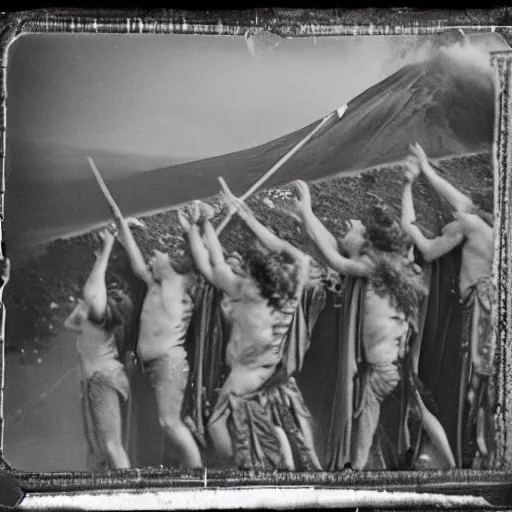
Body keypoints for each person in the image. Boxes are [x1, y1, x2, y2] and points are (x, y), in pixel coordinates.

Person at [292, 179, 456, 471]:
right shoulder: (395, 270)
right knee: (403, 419)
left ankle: (358, 471)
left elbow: (334, 256)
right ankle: (449, 466)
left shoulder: (373, 270)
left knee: (382, 425)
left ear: (369, 244)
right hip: (388, 371)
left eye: (352, 231)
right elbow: (339, 249)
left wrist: (307, 212)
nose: (347, 232)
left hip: (384, 373)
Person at [186, 181, 323, 471]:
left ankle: (236, 474)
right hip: (273, 373)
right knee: (282, 429)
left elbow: (213, 266)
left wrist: (203, 226)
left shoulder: (243, 294)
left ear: (254, 281)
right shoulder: (288, 295)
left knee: (215, 425)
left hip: (244, 379)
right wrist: (248, 218)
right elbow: (296, 255)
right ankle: (296, 469)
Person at [401, 143, 495, 467]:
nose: (453, 214)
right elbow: (460, 201)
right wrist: (427, 169)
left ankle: (460, 456)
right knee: (477, 386)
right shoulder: (490, 230)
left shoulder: (467, 226)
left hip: (473, 313)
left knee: (461, 383)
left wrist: (410, 223)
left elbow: (428, 251)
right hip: (486, 312)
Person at [112, 209, 203, 469]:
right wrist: (122, 226)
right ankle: (189, 463)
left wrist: (190, 230)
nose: (153, 256)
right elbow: (137, 262)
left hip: (169, 364)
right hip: (154, 366)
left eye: (159, 256)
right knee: (168, 422)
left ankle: (197, 473)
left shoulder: (178, 289)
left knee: (169, 422)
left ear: (175, 268)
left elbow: (193, 263)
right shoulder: (156, 286)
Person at [63, 228, 132, 471]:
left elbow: (93, 292)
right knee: (102, 447)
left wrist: (106, 251)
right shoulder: (95, 322)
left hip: (102, 381)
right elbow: (68, 324)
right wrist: (80, 310)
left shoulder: (101, 318)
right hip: (96, 381)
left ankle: (130, 495)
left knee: (112, 447)